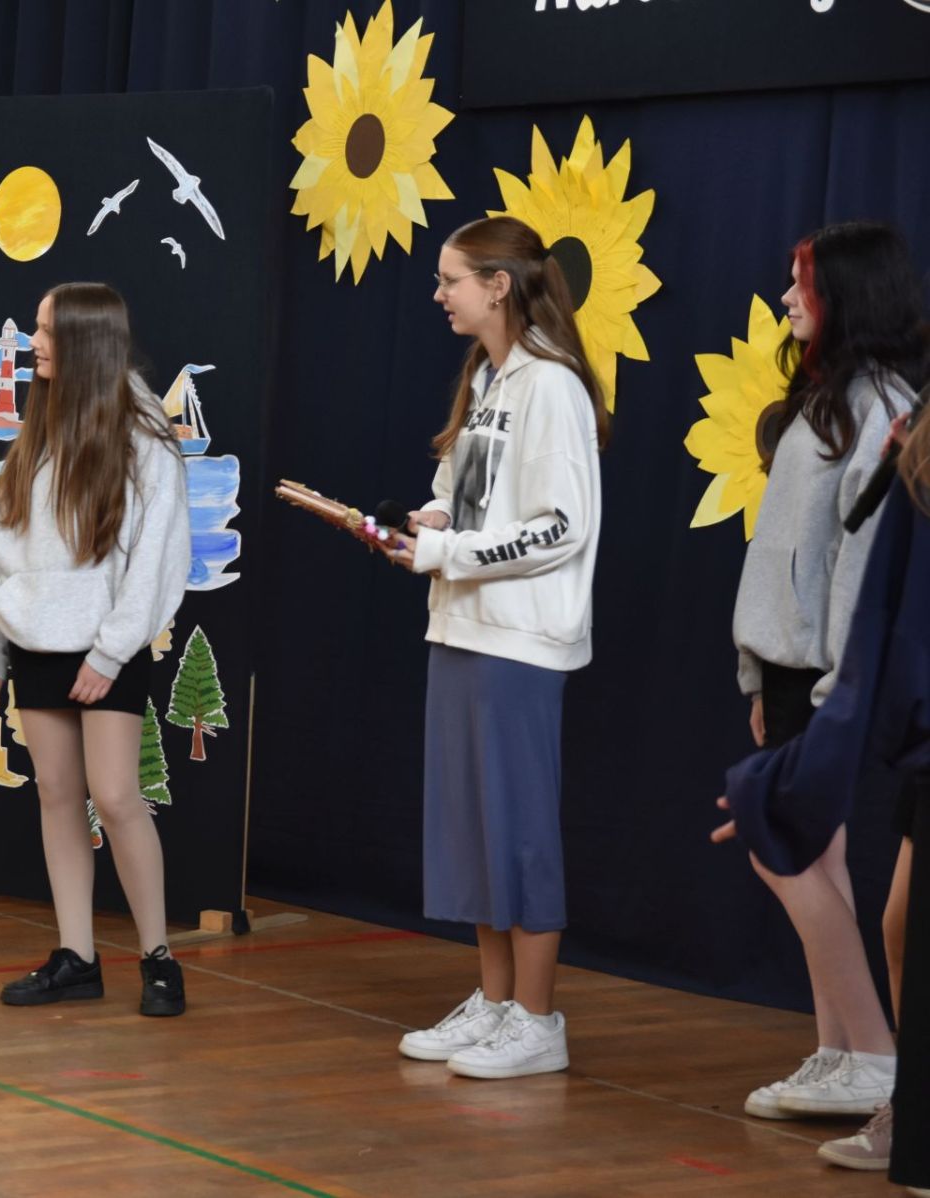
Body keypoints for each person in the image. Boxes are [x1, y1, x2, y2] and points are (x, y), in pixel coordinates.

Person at [383, 215, 607, 1079]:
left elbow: (560, 526)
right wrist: (430, 523)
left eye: (452, 280)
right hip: (460, 627)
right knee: (473, 827)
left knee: (519, 831)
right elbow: (463, 493)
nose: (439, 295)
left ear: (498, 285)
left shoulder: (552, 386)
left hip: (521, 641)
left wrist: (451, 552)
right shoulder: (488, 377)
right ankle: (496, 1000)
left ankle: (539, 1020)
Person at [721, 223, 924, 1134]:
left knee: (785, 849)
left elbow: (861, 561)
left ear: (847, 292)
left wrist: (838, 685)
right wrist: (756, 672)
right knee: (817, 858)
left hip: (825, 672)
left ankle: (873, 1053)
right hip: (787, 663)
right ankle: (839, 1051)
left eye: (800, 282)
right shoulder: (826, 395)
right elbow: (784, 552)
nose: (785, 298)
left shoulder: (882, 405)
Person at [0, 282, 192, 1017]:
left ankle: (158, 958)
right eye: (37, 329)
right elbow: (6, 548)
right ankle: (77, 957)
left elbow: (157, 560)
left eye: (47, 331)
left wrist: (109, 654)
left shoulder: (144, 437)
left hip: (106, 646)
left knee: (117, 796)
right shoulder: (40, 428)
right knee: (56, 793)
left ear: (86, 340)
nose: (35, 342)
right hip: (35, 640)